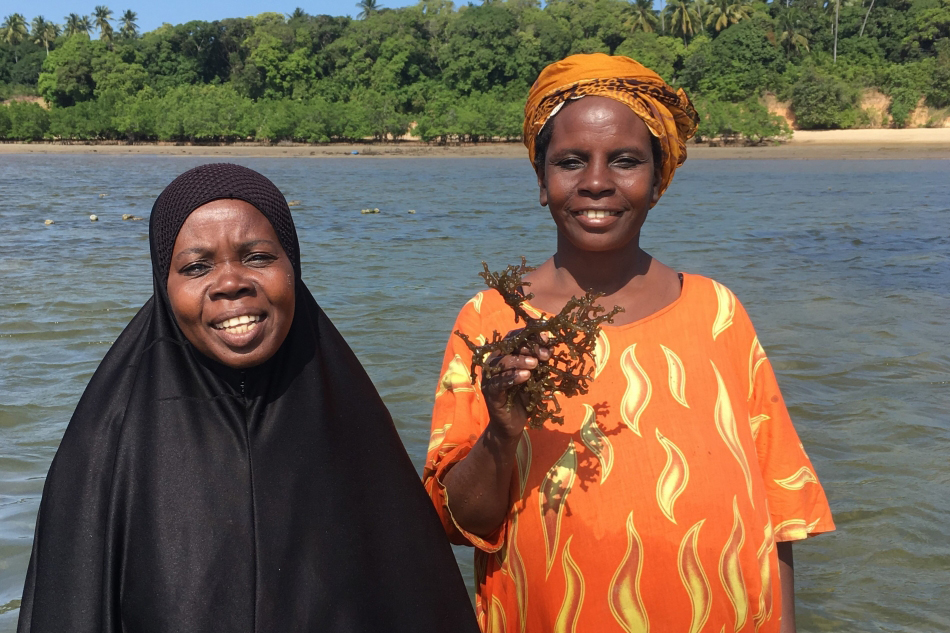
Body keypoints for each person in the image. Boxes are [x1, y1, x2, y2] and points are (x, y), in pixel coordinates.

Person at [423, 54, 834, 633]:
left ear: (657, 181)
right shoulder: (492, 321)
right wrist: (501, 431)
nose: (597, 181)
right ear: (542, 182)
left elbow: (779, 508)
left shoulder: (719, 312)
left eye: (625, 161)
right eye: (571, 162)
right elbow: (459, 522)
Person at [18, 163, 479, 633]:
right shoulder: (104, 447)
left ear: (293, 265)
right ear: (163, 285)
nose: (230, 282)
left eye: (257, 257)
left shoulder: (358, 433)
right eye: (196, 267)